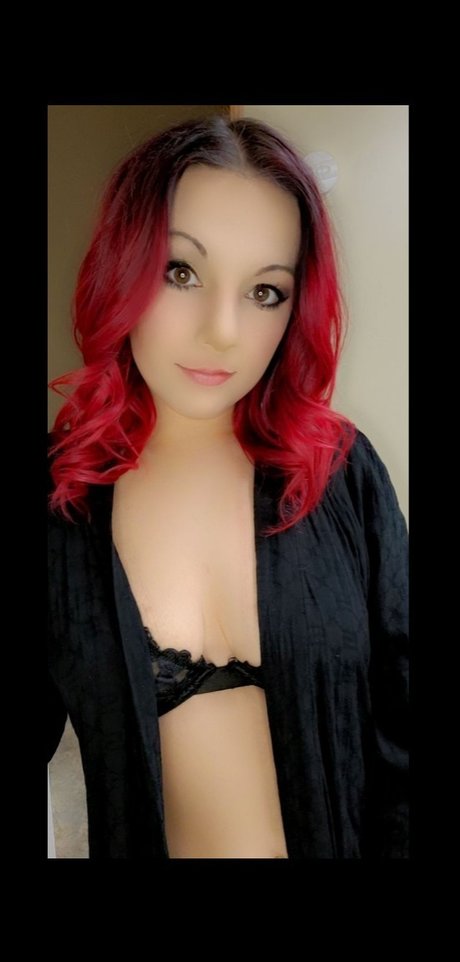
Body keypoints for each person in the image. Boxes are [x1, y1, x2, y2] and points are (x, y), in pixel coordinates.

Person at [48, 114, 409, 859]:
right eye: (181, 272)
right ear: (123, 268)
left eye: (266, 291)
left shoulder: (340, 472)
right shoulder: (62, 499)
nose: (222, 331)